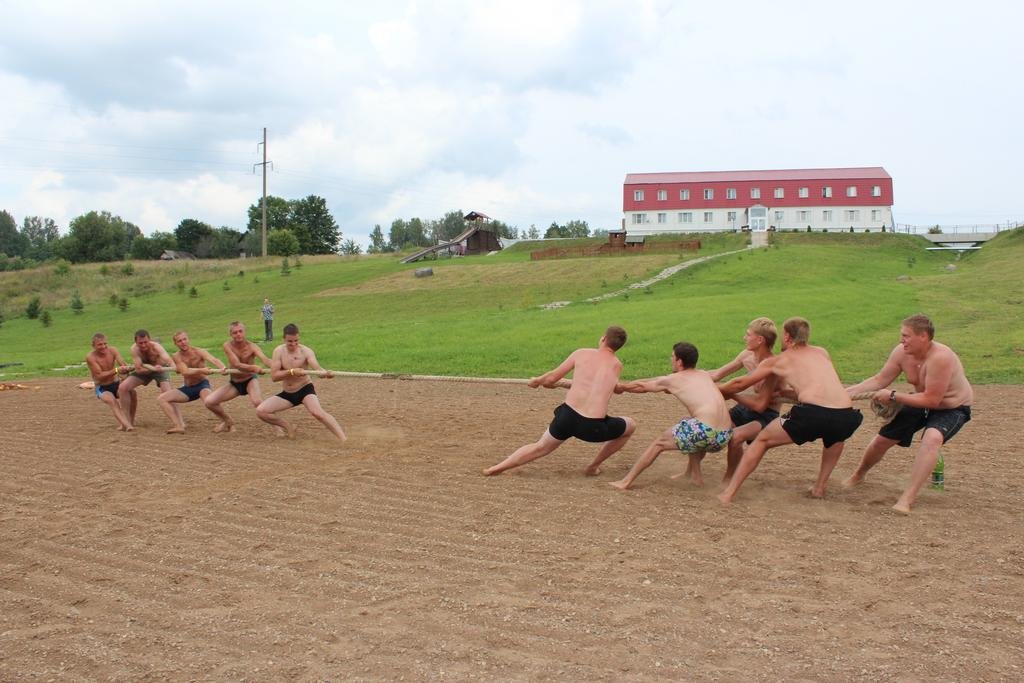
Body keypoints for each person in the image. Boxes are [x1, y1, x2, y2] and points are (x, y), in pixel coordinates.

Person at [716, 317, 863, 503]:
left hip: (814, 414)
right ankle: (819, 488)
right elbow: (818, 388)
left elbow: (739, 383)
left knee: (761, 441)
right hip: (846, 414)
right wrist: (786, 392)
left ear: (786, 337)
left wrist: (716, 390)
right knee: (835, 438)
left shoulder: (780, 360)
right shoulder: (822, 352)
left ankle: (728, 493)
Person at [842, 314, 973, 514]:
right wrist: (844, 394)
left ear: (923, 336)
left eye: (906, 336)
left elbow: (932, 400)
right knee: (881, 440)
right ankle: (858, 475)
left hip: (951, 407)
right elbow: (879, 380)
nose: (901, 340)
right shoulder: (901, 352)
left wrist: (894, 395)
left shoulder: (941, 358)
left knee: (932, 438)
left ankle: (907, 498)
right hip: (920, 399)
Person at [484, 325, 637, 476]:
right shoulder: (617, 365)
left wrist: (537, 381)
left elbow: (551, 379)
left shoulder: (581, 353)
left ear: (603, 338)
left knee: (540, 447)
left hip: (567, 417)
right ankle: (593, 466)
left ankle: (497, 468)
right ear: (619, 347)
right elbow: (611, 389)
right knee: (630, 426)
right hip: (592, 428)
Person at [608, 342, 733, 490]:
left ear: (679, 361)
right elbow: (655, 380)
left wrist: (621, 387)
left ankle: (625, 482)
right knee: (687, 423)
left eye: (672, 356)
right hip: (724, 436)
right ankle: (694, 476)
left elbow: (642, 386)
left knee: (659, 443)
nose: (670, 359)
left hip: (705, 433)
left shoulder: (673, 379)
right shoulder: (704, 374)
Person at [706, 317, 781, 483]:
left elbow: (761, 406)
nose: (744, 338)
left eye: (748, 335)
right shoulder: (747, 355)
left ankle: (729, 478)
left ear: (760, 339)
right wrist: (688, 377)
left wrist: (732, 393)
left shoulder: (772, 366)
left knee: (736, 437)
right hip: (745, 407)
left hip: (765, 415)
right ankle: (692, 471)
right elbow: (717, 374)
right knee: (706, 425)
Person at [255, 323, 346, 441]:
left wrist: (325, 374)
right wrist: (292, 372)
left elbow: (317, 369)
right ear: (284, 339)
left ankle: (343, 439)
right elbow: (274, 376)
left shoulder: (306, 351)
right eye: (290, 341)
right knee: (261, 411)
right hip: (288, 394)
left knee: (317, 413)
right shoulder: (279, 351)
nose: (293, 344)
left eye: (296, 341)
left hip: (305, 390)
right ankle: (288, 427)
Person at [203, 321, 274, 433]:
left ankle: (278, 427)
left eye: (240, 331)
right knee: (209, 402)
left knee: (257, 402)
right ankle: (228, 421)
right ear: (231, 334)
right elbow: (236, 364)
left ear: (244, 332)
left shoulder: (252, 346)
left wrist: (278, 367)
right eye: (235, 332)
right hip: (235, 383)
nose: (238, 334)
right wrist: (254, 367)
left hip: (250, 380)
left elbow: (265, 359)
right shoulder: (227, 345)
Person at [157, 330, 232, 434]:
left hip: (202, 385)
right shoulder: (176, 356)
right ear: (176, 344)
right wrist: (202, 370)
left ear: (188, 339)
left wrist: (223, 368)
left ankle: (227, 420)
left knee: (209, 402)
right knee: (162, 399)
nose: (183, 342)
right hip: (188, 389)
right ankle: (178, 426)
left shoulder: (199, 351)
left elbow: (214, 360)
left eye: (184, 339)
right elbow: (185, 372)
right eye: (179, 341)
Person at [118, 329, 176, 428]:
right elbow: (139, 369)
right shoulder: (134, 349)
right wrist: (151, 369)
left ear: (150, 340)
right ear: (136, 342)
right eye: (140, 343)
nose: (144, 345)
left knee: (167, 393)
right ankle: (127, 422)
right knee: (123, 388)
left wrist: (174, 366)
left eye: (146, 342)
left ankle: (178, 423)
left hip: (161, 369)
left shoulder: (156, 347)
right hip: (145, 371)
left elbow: (168, 360)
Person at [85, 332, 133, 432]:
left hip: (115, 383)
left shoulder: (113, 350)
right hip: (102, 387)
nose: (103, 346)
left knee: (132, 393)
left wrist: (127, 368)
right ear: (93, 346)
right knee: (112, 401)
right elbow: (99, 376)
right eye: (100, 344)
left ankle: (129, 421)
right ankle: (126, 425)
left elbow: (122, 364)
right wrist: (116, 370)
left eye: (105, 344)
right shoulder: (90, 357)